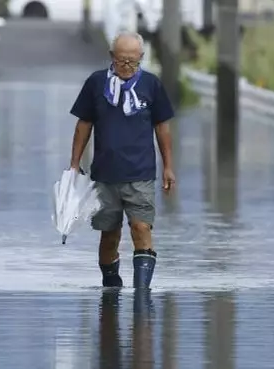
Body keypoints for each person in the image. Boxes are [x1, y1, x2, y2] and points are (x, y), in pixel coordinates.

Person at [69, 31, 175, 289]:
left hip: (140, 174)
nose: (127, 67)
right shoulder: (96, 83)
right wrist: (74, 164)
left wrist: (168, 167)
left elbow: (162, 127)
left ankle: (142, 291)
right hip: (105, 175)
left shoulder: (151, 85)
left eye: (133, 61)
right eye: (121, 61)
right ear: (111, 57)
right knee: (109, 236)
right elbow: (84, 125)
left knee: (141, 228)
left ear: (141, 58)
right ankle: (111, 283)